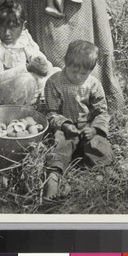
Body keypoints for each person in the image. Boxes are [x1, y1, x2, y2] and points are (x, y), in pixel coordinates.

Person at [44, 40, 113, 199]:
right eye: (73, 70)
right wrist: (65, 125)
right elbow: (51, 112)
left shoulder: (93, 84)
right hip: (66, 127)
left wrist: (95, 129)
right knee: (61, 146)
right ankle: (53, 177)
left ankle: (101, 168)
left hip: (87, 126)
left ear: (90, 71)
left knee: (98, 144)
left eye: (83, 73)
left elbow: (102, 112)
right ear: (66, 62)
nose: (77, 76)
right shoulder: (54, 82)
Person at [0, 1, 60, 110]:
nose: (7, 33)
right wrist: (28, 67)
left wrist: (39, 61)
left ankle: (45, 107)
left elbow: (34, 52)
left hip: (21, 81)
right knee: (26, 81)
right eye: (2, 27)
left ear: (23, 26)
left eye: (13, 28)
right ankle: (16, 112)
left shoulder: (23, 36)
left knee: (57, 73)